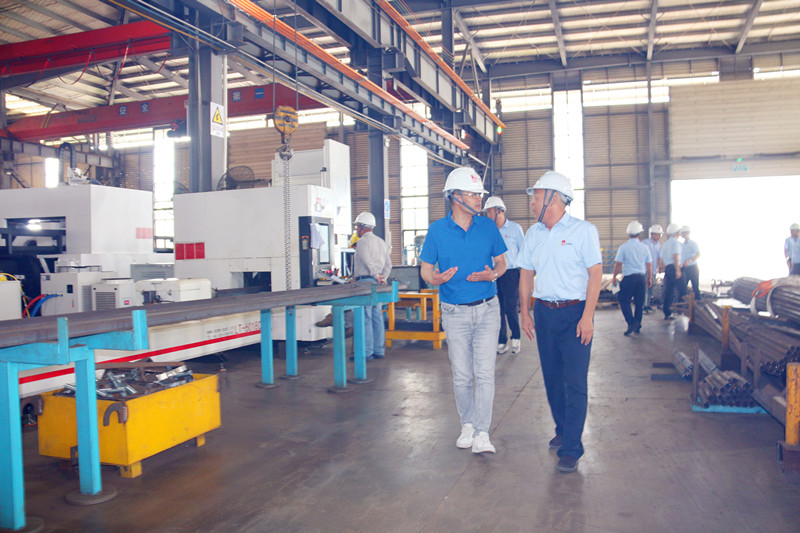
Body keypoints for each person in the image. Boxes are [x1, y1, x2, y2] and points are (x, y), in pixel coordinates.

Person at [518, 171, 602, 473]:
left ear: (553, 198)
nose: (532, 203)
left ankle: (572, 448)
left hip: (575, 313)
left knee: (575, 381)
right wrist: (525, 312)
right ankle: (563, 429)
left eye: (536, 197)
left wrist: (587, 316)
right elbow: (526, 273)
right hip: (545, 312)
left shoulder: (583, 231)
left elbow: (595, 273)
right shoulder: (533, 234)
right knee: (552, 378)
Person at [420, 167, 507, 455]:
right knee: (461, 374)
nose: (479, 199)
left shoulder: (488, 227)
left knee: (484, 374)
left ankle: (482, 432)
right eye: (473, 194)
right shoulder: (437, 231)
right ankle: (467, 425)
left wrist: (494, 274)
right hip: (454, 313)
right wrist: (435, 279)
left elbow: (502, 263)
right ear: (455, 196)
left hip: (487, 309)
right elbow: (425, 271)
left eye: (480, 194)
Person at [483, 196, 525, 355]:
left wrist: (525, 275)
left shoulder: (515, 229)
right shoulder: (489, 231)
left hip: (511, 274)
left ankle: (516, 338)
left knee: (510, 307)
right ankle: (502, 341)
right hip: (494, 274)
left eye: (489, 212)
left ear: (499, 211)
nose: (487, 215)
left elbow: (524, 251)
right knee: (497, 308)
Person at [352, 212, 392, 360]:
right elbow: (388, 264)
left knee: (365, 317)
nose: (356, 229)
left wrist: (375, 275)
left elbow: (367, 260)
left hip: (365, 283)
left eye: (357, 226)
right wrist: (382, 278)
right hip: (377, 284)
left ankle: (366, 352)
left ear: (362, 226)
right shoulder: (381, 242)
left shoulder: (362, 242)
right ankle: (378, 350)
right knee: (377, 316)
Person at [611, 221, 652, 336]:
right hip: (641, 278)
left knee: (623, 299)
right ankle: (637, 325)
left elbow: (618, 264)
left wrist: (614, 276)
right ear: (639, 233)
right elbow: (649, 264)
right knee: (639, 303)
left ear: (628, 233)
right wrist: (649, 278)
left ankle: (631, 322)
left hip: (629, 278)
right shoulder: (645, 247)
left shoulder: (623, 247)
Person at [660, 223, 683, 320]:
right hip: (674, 267)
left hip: (668, 268)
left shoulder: (665, 244)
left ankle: (667, 312)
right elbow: (675, 256)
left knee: (668, 291)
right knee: (682, 290)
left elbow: (661, 257)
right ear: (677, 232)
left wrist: (661, 267)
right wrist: (678, 270)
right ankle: (681, 309)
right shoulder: (675, 243)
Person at [642, 224, 663, 312]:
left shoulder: (659, 245)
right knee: (645, 289)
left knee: (650, 289)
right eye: (658, 234)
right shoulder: (645, 243)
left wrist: (660, 267)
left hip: (653, 270)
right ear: (653, 234)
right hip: (645, 270)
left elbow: (659, 257)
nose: (659, 236)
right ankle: (644, 306)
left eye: (660, 234)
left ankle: (648, 305)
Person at [679, 226, 701, 301]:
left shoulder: (693, 244)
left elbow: (698, 254)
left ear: (687, 233)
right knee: (682, 287)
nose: (682, 235)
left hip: (692, 268)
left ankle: (698, 302)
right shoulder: (682, 245)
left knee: (695, 286)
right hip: (684, 268)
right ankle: (682, 304)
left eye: (683, 233)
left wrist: (689, 261)